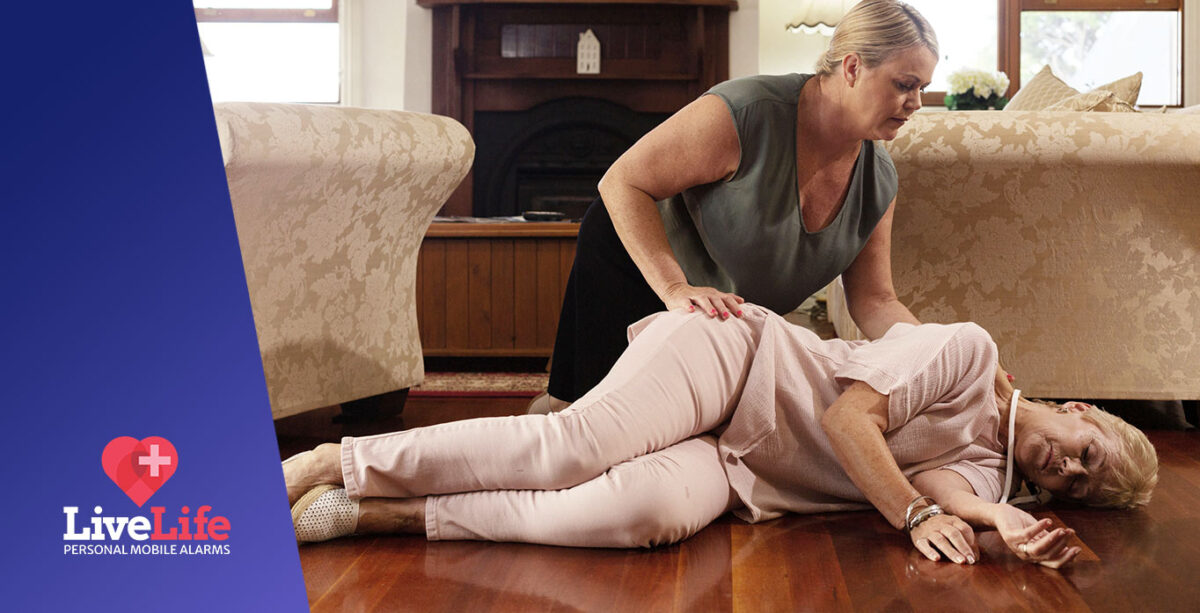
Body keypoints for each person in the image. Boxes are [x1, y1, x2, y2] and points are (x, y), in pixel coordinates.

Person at [284, 305, 1158, 568]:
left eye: (1078, 484)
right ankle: (338, 461)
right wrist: (904, 515)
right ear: (1082, 411)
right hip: (733, 359)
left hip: (743, 467)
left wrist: (996, 522)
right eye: (1088, 451)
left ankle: (382, 516)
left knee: (641, 516)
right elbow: (849, 419)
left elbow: (945, 492)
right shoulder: (970, 353)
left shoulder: (993, 481)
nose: (1070, 467)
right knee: (575, 448)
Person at [538, 0, 940, 413]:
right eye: (905, 85)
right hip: (639, 270)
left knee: (674, 441)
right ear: (853, 68)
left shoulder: (880, 180)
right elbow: (622, 181)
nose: (917, 103)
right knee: (581, 420)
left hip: (720, 322)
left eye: (922, 88)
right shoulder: (746, 113)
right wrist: (675, 290)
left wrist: (943, 357)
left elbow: (875, 301)